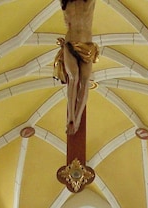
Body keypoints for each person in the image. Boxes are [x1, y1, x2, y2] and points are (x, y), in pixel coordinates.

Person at [54, 0, 98, 135]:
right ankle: (71, 118)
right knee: (73, 78)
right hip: (70, 44)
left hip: (87, 47)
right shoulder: (65, 4)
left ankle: (77, 118)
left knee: (84, 82)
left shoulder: (89, 2)